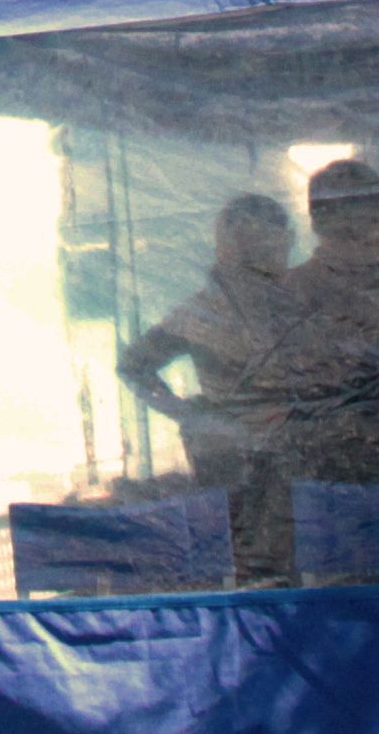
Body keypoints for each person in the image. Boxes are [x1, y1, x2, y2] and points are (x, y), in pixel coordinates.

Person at [121, 195, 306, 577]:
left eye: (262, 244)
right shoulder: (199, 314)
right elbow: (134, 365)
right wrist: (193, 416)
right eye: (240, 244)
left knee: (302, 553)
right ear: (223, 248)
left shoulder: (305, 301)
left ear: (285, 243)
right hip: (229, 461)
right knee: (246, 562)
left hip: (301, 455)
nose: (251, 256)